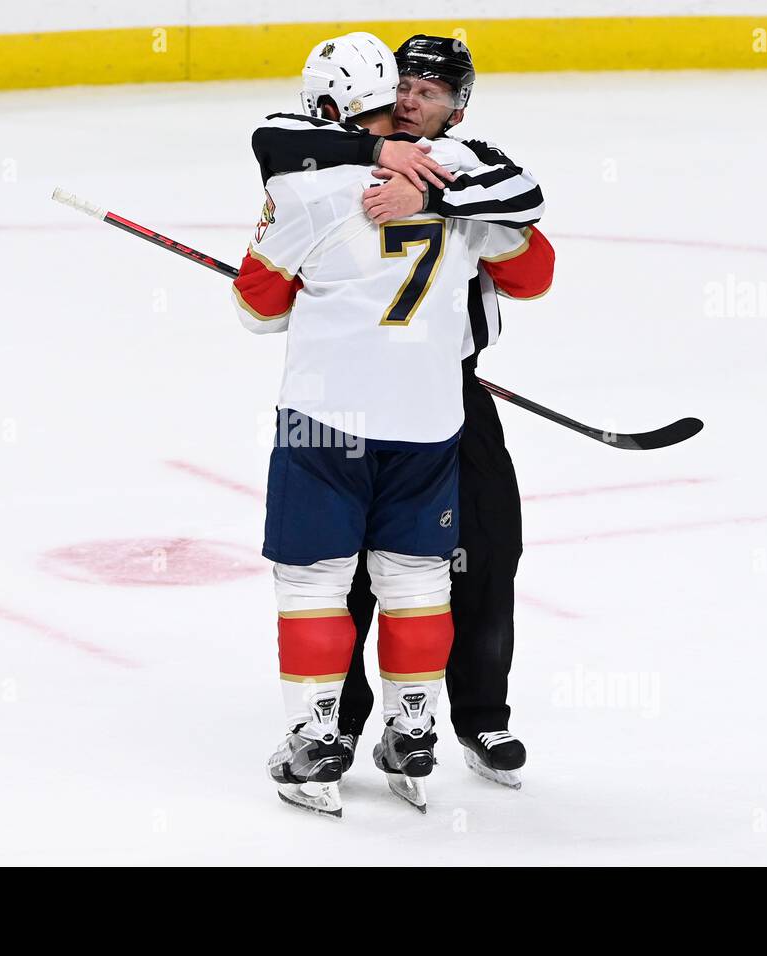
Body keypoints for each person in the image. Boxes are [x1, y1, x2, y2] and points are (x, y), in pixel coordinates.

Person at [233, 33, 552, 816]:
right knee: (416, 575)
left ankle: (317, 736)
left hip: (327, 419)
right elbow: (532, 272)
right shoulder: (461, 171)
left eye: (432, 92)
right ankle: (412, 728)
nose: (415, 101)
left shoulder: (313, 185)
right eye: (404, 87)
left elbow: (257, 307)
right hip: (426, 412)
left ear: (459, 107)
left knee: (317, 579)